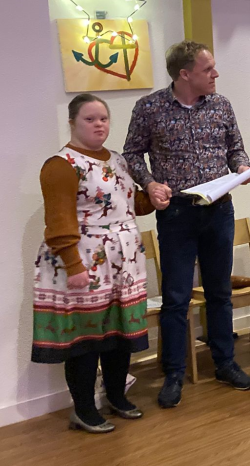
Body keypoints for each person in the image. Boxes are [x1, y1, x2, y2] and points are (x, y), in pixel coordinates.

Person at [123, 40, 250, 407]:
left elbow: (235, 147)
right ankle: (174, 374)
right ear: (184, 74)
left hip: (219, 209)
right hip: (177, 214)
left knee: (219, 292)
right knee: (177, 298)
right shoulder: (150, 108)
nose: (216, 74)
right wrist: (149, 184)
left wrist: (242, 166)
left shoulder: (221, 105)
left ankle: (225, 363)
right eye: (207, 69)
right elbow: (131, 154)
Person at [33, 94, 164, 433]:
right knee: (87, 338)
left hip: (123, 264)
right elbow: (59, 222)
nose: (99, 125)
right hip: (85, 263)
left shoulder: (117, 160)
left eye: (103, 118)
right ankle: (84, 409)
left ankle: (116, 396)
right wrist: (74, 267)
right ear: (72, 123)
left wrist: (152, 198)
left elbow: (126, 204)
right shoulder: (61, 165)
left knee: (119, 334)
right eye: (90, 119)